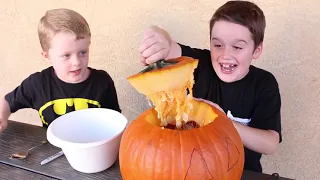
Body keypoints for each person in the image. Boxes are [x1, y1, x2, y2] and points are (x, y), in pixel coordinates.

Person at [138, 1, 282, 173]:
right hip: (192, 170)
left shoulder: (264, 84)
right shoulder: (199, 63)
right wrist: (157, 36)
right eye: (218, 45)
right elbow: (170, 48)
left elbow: (270, 143)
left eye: (237, 47)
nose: (225, 55)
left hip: (242, 172)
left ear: (256, 50)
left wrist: (222, 121)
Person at [0, 8, 121, 132]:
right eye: (66, 55)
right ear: (47, 56)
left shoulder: (102, 82)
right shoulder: (37, 84)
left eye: (82, 52)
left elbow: (116, 122)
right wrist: (2, 116)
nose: (76, 62)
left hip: (93, 148)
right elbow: (7, 103)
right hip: (51, 150)